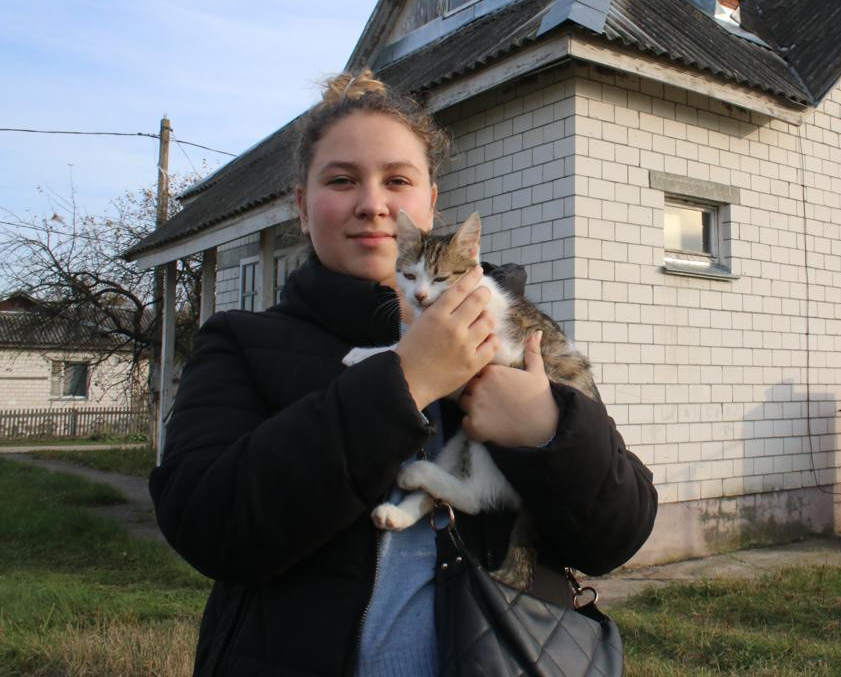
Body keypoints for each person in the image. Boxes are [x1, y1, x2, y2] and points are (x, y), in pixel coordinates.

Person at [150, 70, 658, 677]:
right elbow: (208, 526)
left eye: (398, 180)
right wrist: (405, 379)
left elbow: (617, 535)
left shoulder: (522, 337)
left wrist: (548, 430)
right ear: (301, 208)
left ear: (431, 205)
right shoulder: (240, 344)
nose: (373, 204)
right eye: (341, 180)